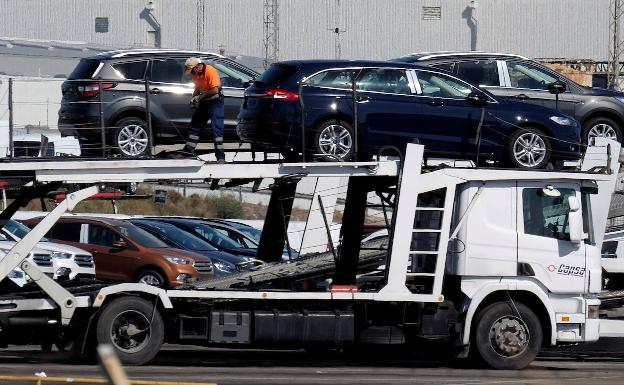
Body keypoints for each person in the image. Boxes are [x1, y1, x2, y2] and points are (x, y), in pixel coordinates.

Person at [181, 57, 226, 162]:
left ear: (198, 66)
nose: (192, 73)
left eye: (192, 70)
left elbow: (215, 90)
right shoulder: (195, 73)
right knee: (195, 125)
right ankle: (188, 152)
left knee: (216, 129)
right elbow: (197, 88)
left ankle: (220, 158)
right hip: (205, 101)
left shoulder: (210, 70)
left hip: (216, 102)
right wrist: (194, 97)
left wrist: (199, 97)